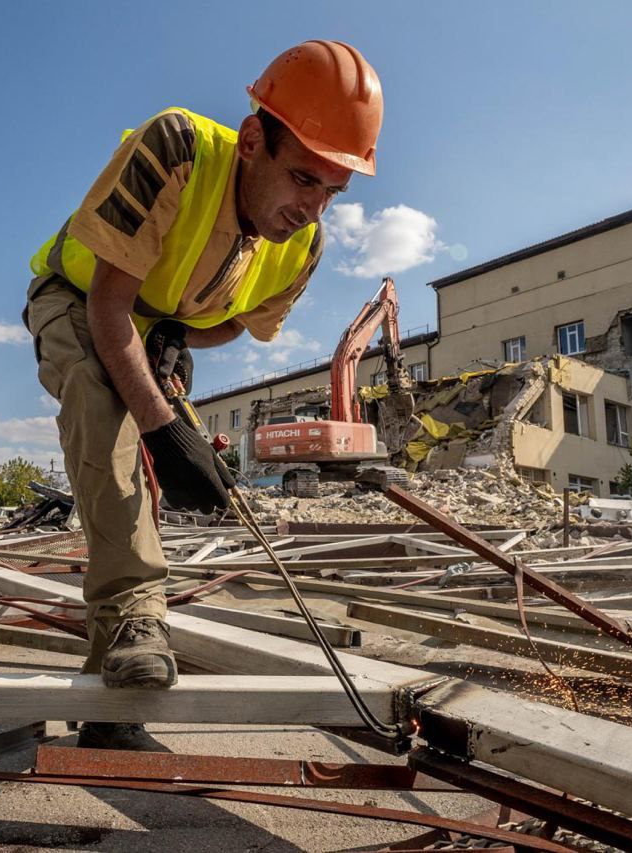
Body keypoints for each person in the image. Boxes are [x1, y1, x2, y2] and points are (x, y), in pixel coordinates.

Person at [22, 40, 383, 751]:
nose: (312, 209)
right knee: (108, 424)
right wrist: (161, 425)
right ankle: (134, 618)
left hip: (150, 322)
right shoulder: (178, 148)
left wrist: (174, 342)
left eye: (333, 192)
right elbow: (106, 305)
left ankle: (112, 703)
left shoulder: (300, 247)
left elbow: (230, 325)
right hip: (77, 295)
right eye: (304, 178)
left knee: (148, 462)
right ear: (253, 140)